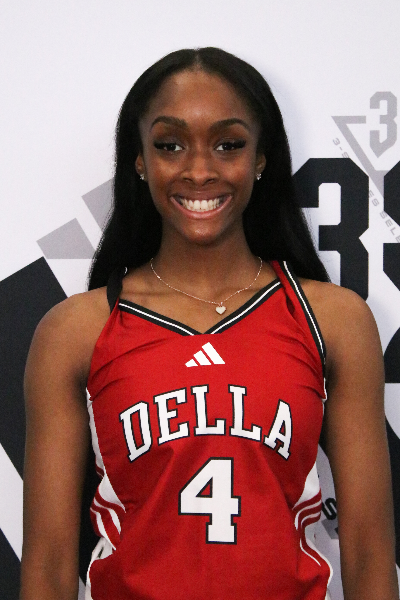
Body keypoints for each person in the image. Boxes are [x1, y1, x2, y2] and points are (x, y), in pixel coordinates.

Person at [20, 48, 398, 600]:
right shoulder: (76, 331)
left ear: (262, 158)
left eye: (228, 144)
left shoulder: (333, 320)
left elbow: (369, 555)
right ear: (139, 160)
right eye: (170, 145)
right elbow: (49, 566)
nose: (199, 170)